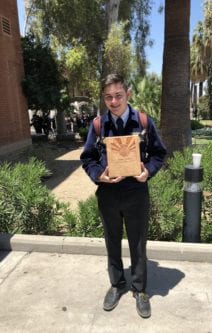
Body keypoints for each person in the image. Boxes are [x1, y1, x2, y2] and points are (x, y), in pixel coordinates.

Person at [80, 73, 167, 318]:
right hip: (108, 193)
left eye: (118, 95)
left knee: (138, 244)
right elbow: (88, 159)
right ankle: (117, 284)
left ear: (127, 94)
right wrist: (100, 175)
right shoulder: (98, 125)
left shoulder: (144, 122)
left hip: (136, 192)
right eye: (108, 97)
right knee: (111, 241)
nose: (114, 101)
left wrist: (147, 171)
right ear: (104, 98)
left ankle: (140, 290)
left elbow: (159, 154)